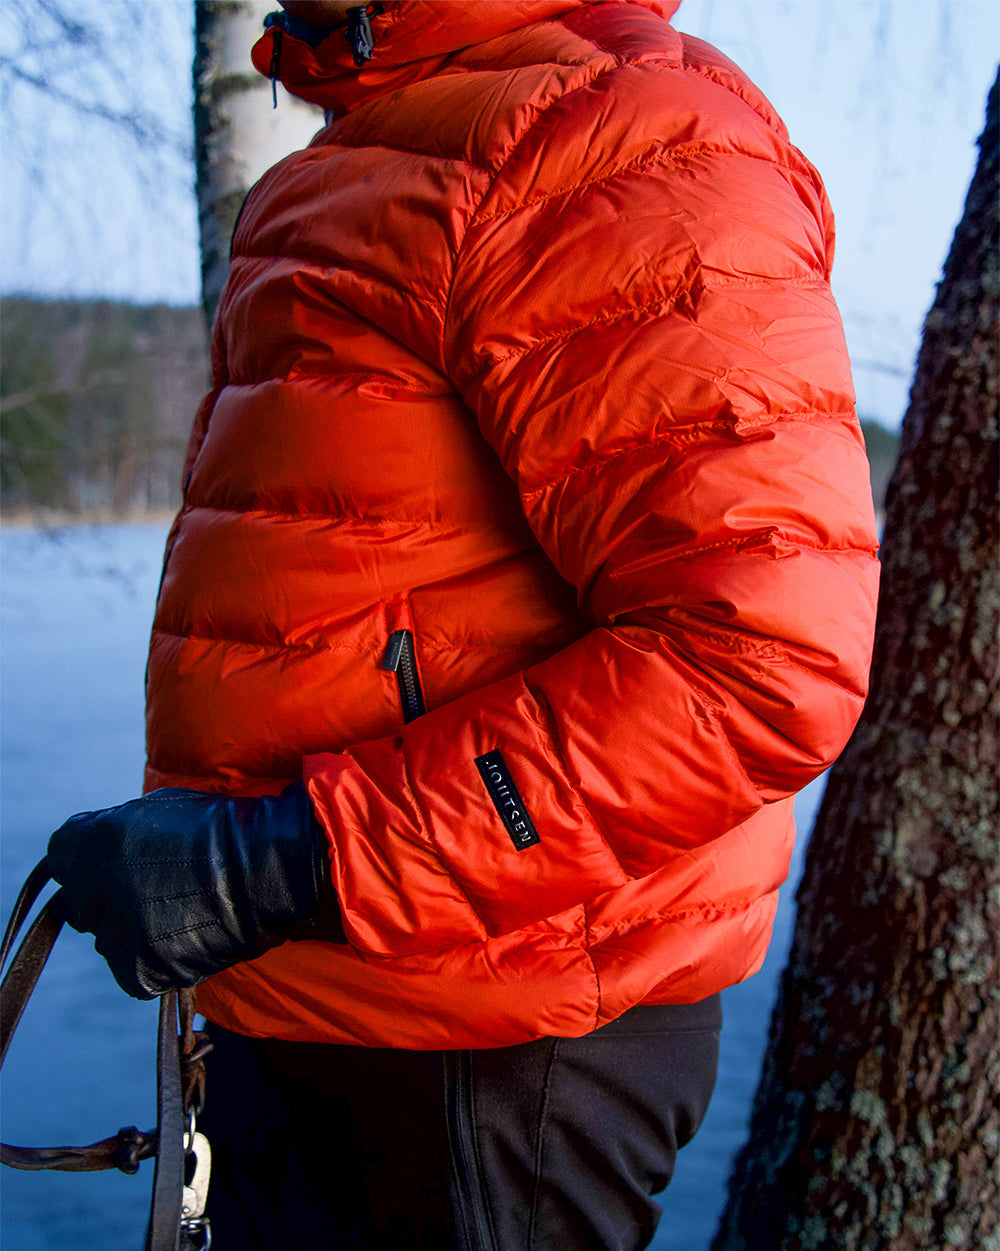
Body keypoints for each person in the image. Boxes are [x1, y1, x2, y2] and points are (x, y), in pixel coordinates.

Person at [46, 1, 880, 1247]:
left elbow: (760, 661)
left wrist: (272, 864)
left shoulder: (616, 135)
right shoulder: (390, 138)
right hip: (328, 1006)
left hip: (487, 1046)